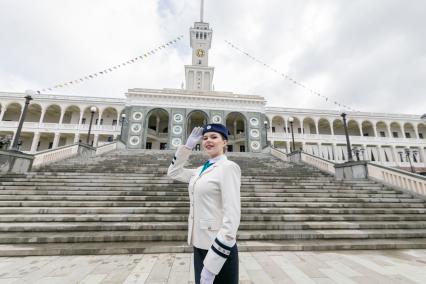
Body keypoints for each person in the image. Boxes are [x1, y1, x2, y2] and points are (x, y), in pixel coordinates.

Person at [167, 124, 241, 284]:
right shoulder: (200, 169)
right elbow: (174, 172)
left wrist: (212, 265)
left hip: (219, 249)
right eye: (205, 138)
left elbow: (232, 217)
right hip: (200, 243)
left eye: (214, 137)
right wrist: (187, 147)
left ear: (225, 142)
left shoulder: (228, 168)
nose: (208, 141)